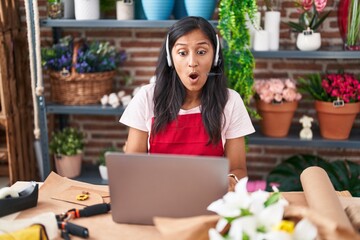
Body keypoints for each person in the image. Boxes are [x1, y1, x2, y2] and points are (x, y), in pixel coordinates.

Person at [119, 16, 255, 190]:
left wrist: (232, 180)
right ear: (170, 59)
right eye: (182, 53)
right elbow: (132, 166)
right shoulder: (146, 97)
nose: (192, 63)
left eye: (201, 52)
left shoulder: (231, 101)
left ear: (214, 58)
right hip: (157, 194)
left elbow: (238, 169)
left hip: (209, 198)